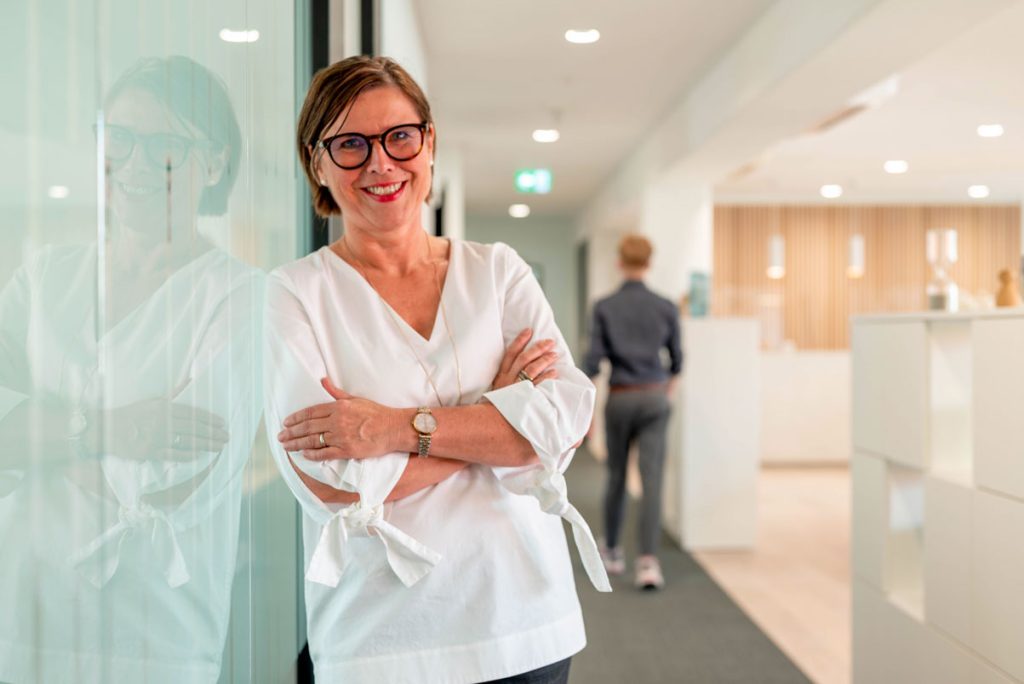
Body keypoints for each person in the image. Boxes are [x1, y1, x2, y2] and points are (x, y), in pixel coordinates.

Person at [264, 56, 609, 684]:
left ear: (429, 143)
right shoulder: (297, 293)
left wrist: (392, 430)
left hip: (523, 620)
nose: (380, 163)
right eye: (350, 144)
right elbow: (332, 483)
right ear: (317, 163)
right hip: (381, 637)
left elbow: (561, 424)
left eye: (400, 136)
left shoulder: (497, 271)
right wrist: (497, 421)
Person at [0, 57, 263, 683]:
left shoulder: (241, 296)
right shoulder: (45, 276)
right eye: (118, 138)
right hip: (20, 616)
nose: (135, 164)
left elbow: (168, 477)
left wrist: (35, 433)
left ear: (215, 163)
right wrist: (109, 430)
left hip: (152, 636)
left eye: (165, 146)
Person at [583, 234, 682, 591]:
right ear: (649, 263)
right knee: (651, 480)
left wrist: (585, 412)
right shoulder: (666, 306)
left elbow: (593, 363)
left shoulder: (605, 306)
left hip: (622, 397)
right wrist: (664, 391)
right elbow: (677, 360)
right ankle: (648, 563)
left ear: (619, 263)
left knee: (616, 476)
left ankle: (612, 551)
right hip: (655, 397)